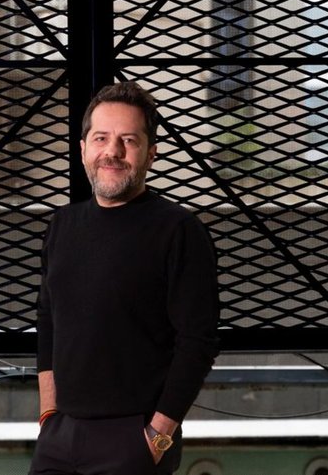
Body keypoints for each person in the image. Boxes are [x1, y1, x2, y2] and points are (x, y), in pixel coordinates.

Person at [29, 81, 220, 475]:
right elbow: (48, 321)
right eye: (101, 138)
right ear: (83, 148)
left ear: (151, 153)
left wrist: (157, 437)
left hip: (133, 439)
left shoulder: (178, 230)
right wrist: (48, 415)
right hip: (59, 436)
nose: (112, 151)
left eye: (128, 140)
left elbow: (198, 342)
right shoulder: (62, 224)